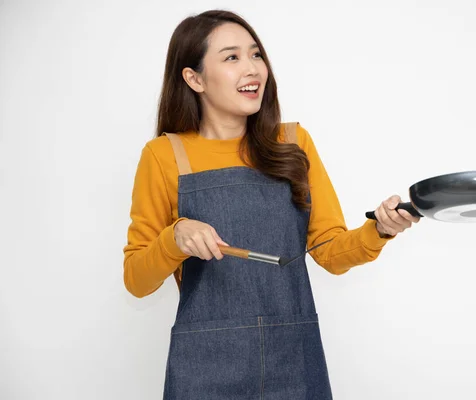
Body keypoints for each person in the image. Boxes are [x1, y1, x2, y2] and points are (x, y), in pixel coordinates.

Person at [123, 9, 419, 399]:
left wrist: (379, 230)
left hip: (294, 357)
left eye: (256, 54)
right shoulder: (165, 155)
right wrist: (173, 238)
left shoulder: (294, 142)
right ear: (194, 78)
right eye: (232, 57)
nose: (253, 69)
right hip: (206, 364)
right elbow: (136, 281)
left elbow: (328, 251)